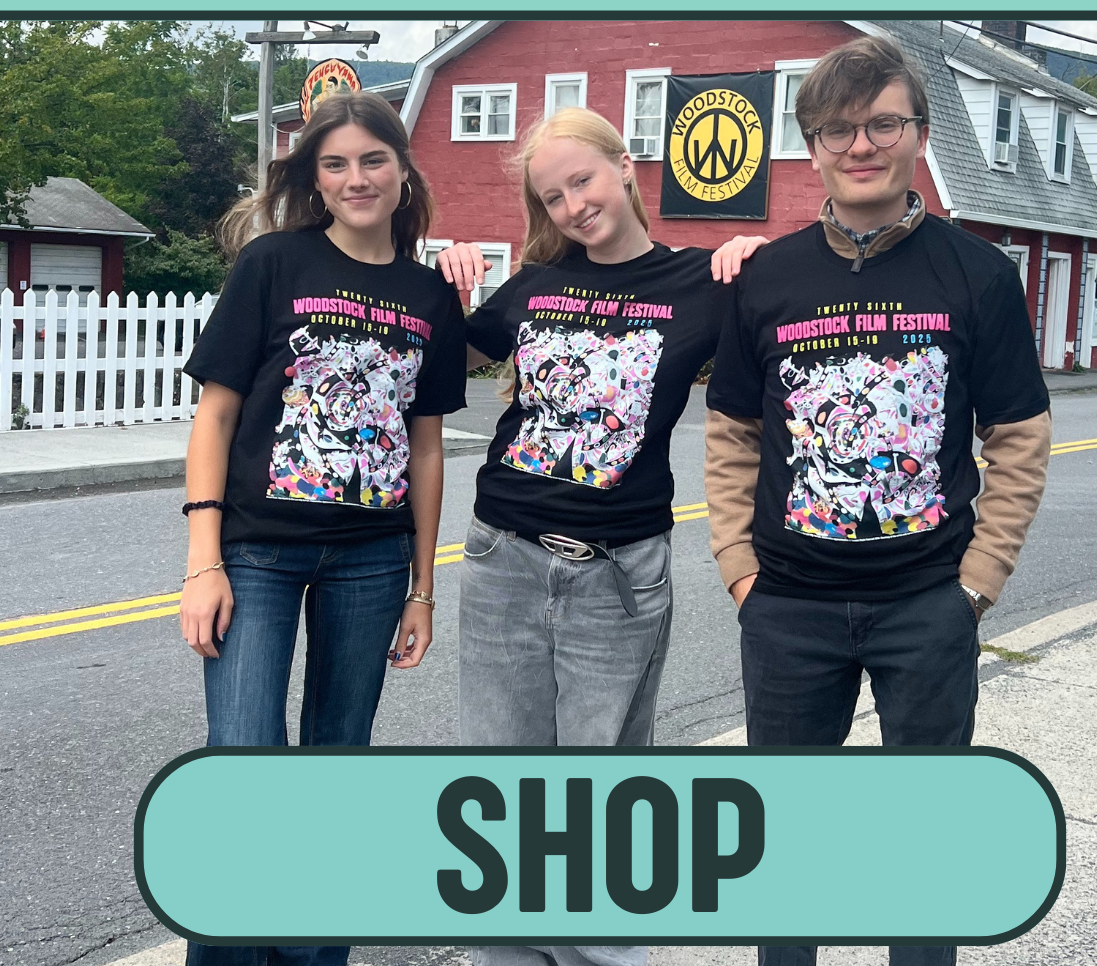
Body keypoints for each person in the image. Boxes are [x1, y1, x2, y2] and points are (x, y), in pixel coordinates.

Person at [704, 36, 1052, 966]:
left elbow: (1017, 438)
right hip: (788, 609)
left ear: (918, 134)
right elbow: (732, 432)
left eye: (883, 124)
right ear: (812, 147)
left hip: (926, 605)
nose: (861, 146)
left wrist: (974, 588)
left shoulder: (978, 275)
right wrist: (740, 571)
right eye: (837, 130)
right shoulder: (768, 278)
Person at [435, 106, 763, 966]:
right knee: (502, 794)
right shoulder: (536, 285)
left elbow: (787, 328)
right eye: (554, 195)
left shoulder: (704, 281)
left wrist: (763, 256)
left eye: (582, 180)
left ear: (625, 167)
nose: (574, 205)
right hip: (502, 554)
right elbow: (444, 365)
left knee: (604, 801)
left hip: (619, 572)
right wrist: (444, 284)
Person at [178, 91, 465, 966]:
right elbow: (214, 418)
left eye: (372, 160)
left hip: (372, 562)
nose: (355, 178)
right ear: (313, 176)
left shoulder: (426, 293)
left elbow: (425, 451)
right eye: (333, 164)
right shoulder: (273, 264)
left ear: (402, 169)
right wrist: (203, 559)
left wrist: (422, 586)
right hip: (255, 553)